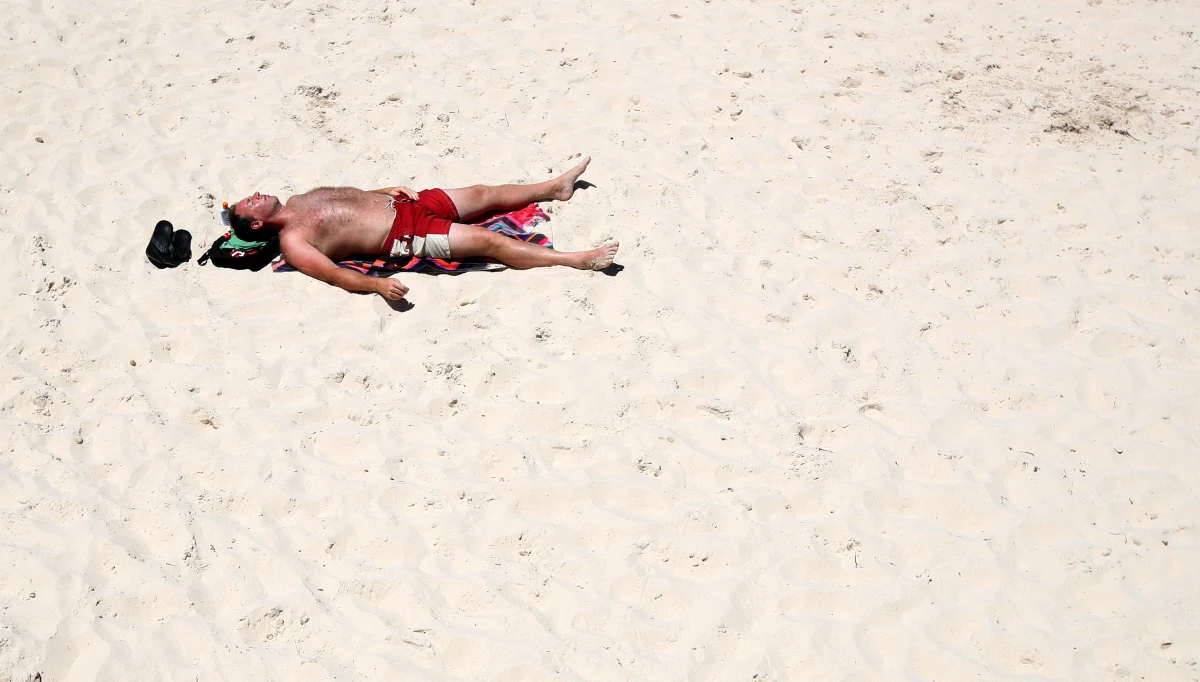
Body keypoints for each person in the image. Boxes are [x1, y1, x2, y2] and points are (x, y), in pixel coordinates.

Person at [228, 157, 618, 300]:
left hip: (407, 202)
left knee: (483, 192)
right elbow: (334, 275)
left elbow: (350, 201)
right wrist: (379, 285)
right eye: (251, 201)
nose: (256, 194)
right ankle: (576, 260)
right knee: (488, 240)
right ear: (257, 222)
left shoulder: (298, 201)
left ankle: (553, 187)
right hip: (406, 236)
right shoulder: (294, 242)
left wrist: (383, 190)